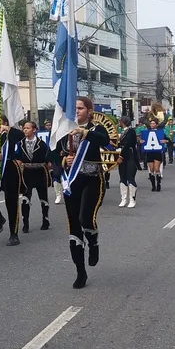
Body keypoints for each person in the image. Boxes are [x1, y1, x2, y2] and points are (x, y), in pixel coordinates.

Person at [58, 97, 110, 289]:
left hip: (92, 180)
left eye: (80, 108)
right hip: (71, 183)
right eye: (75, 108)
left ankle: (93, 242)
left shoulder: (96, 130)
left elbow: (105, 142)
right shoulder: (64, 131)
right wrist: (64, 161)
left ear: (89, 111)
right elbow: (53, 155)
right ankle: (80, 272)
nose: (77, 111)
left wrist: (85, 132)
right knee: (74, 227)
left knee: (85, 218)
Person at [0, 116, 24, 245]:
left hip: (10, 170)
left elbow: (21, 136)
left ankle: (14, 233)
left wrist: (7, 129)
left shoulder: (11, 136)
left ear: (5, 124)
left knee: (11, 201)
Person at [17, 121, 50, 232]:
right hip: (27, 173)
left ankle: (45, 220)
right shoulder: (20, 143)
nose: (25, 130)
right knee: (25, 199)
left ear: (34, 130)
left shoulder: (42, 144)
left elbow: (48, 159)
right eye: (24, 128)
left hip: (40, 172)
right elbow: (18, 158)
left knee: (43, 198)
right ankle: (25, 224)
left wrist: (48, 164)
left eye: (28, 128)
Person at [115, 116, 138, 207]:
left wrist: (121, 156)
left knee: (130, 177)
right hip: (123, 156)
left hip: (130, 156)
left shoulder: (131, 131)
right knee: (122, 177)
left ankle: (132, 200)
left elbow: (128, 144)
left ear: (123, 122)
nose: (118, 123)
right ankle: (123, 199)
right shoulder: (122, 131)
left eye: (119, 121)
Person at [139, 118, 167, 192]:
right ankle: (153, 185)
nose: (152, 125)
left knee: (156, 169)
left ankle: (158, 184)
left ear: (156, 125)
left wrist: (165, 141)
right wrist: (140, 141)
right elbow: (141, 141)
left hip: (157, 152)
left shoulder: (160, 132)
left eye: (154, 123)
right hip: (149, 153)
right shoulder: (146, 132)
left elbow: (168, 140)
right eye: (151, 123)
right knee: (151, 170)